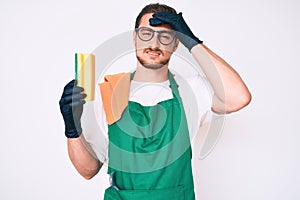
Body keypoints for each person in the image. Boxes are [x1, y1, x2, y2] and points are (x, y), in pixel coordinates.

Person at [59, 3, 251, 200]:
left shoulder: (192, 91)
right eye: (146, 34)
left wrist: (193, 42)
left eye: (165, 37)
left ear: (176, 44)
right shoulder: (108, 91)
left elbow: (239, 97)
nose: (154, 44)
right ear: (134, 37)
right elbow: (88, 170)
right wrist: (72, 128)